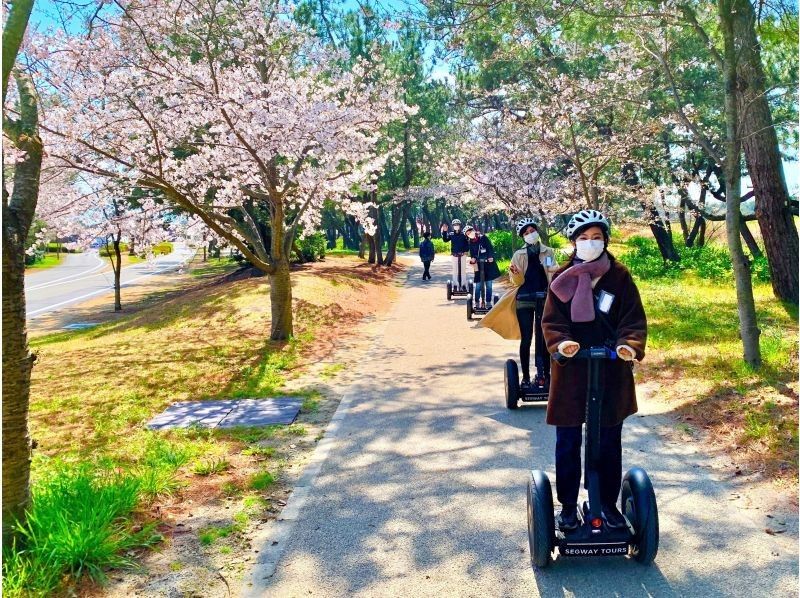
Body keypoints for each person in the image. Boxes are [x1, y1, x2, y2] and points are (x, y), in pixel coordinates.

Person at [541, 209, 647, 532]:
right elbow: (552, 322)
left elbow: (633, 318)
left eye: (596, 238)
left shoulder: (619, 276)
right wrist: (562, 344)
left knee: (608, 441)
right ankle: (569, 506)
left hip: (611, 368)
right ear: (574, 243)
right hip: (572, 370)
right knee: (569, 441)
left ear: (605, 241)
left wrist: (628, 343)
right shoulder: (562, 278)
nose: (590, 244)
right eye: (584, 239)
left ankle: (607, 504)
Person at [477, 218, 559, 383]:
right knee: (526, 337)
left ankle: (547, 376)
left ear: (536, 231)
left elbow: (552, 272)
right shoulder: (518, 255)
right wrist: (515, 273)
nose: (530, 235)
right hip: (524, 297)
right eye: (526, 233)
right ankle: (526, 377)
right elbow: (517, 282)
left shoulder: (548, 252)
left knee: (544, 337)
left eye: (532, 231)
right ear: (523, 237)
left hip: (544, 297)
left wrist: (554, 281)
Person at [465, 225, 501, 308]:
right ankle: (477, 302)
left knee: (489, 284)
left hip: (487, 263)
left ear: (473, 230)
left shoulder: (483, 238)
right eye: (468, 234)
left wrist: (490, 256)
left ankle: (488, 302)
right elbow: (473, 253)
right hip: (478, 265)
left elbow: (490, 248)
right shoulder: (470, 242)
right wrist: (473, 258)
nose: (470, 234)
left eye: (470, 232)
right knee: (478, 285)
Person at [440, 219, 470, 290]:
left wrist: (466, 251)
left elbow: (467, 243)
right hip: (454, 255)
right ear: (453, 226)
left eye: (457, 224)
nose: (456, 226)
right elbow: (445, 240)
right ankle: (455, 285)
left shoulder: (464, 234)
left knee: (463, 270)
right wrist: (444, 231)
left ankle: (463, 285)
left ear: (460, 225)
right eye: (455, 225)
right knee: (455, 270)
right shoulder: (451, 234)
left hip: (463, 254)